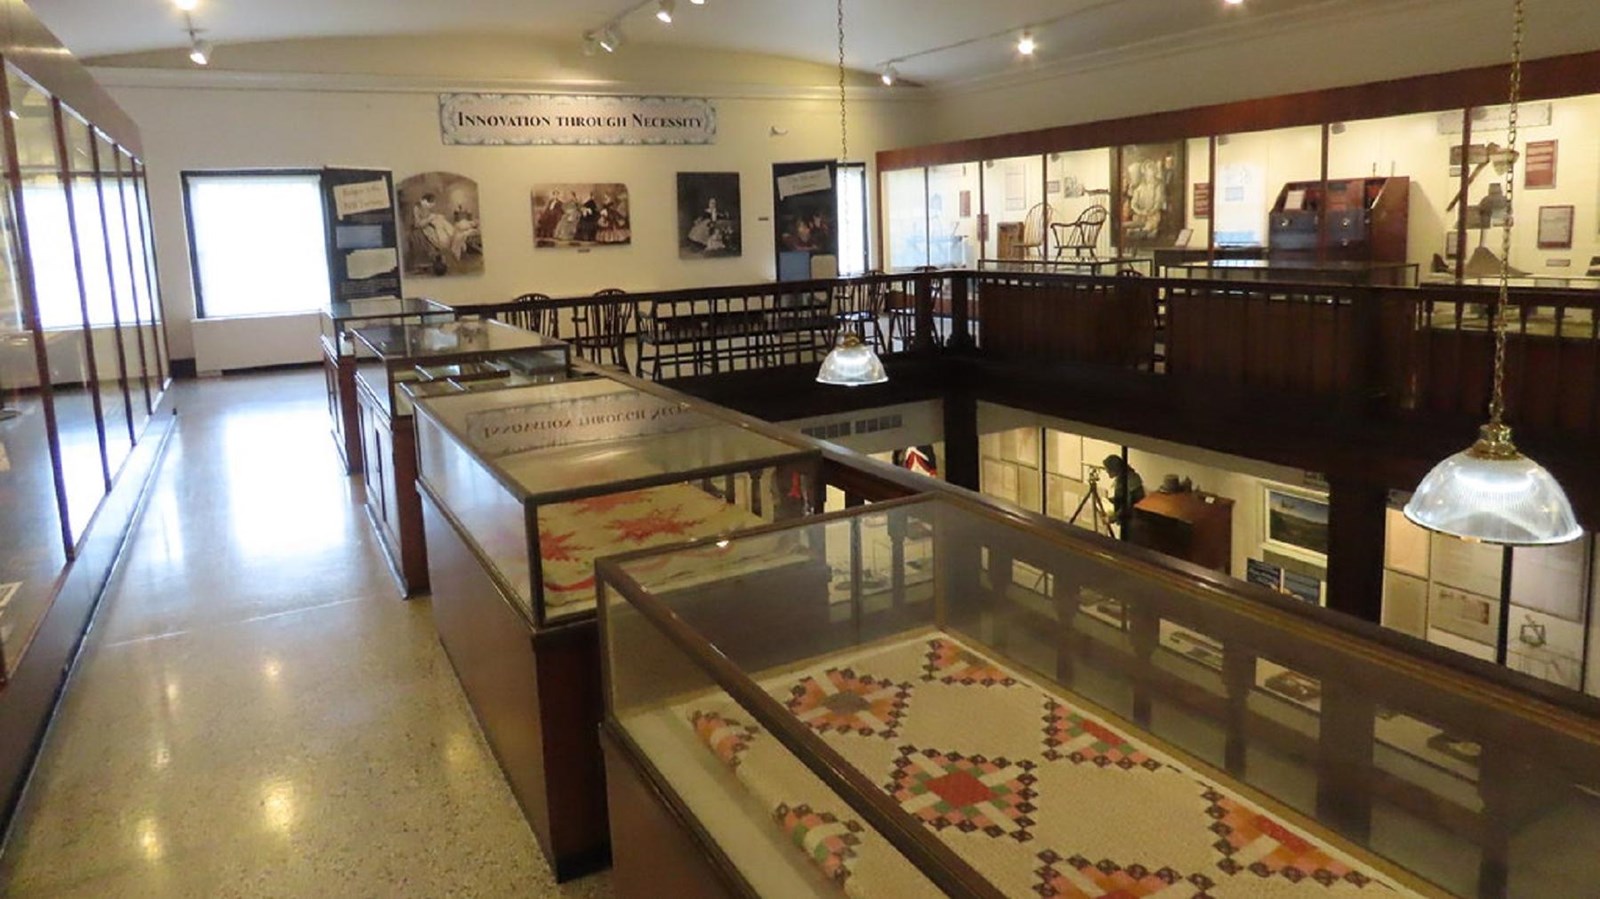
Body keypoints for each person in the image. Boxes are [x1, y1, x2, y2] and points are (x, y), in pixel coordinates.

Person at [1102, 455, 1145, 535]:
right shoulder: (1122, 477)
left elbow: (1129, 504)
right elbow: (1123, 497)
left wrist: (1113, 518)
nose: (1107, 472)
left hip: (1133, 520)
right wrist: (1111, 500)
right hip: (1127, 518)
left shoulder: (1131, 479)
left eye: (1108, 469)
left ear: (1114, 468)